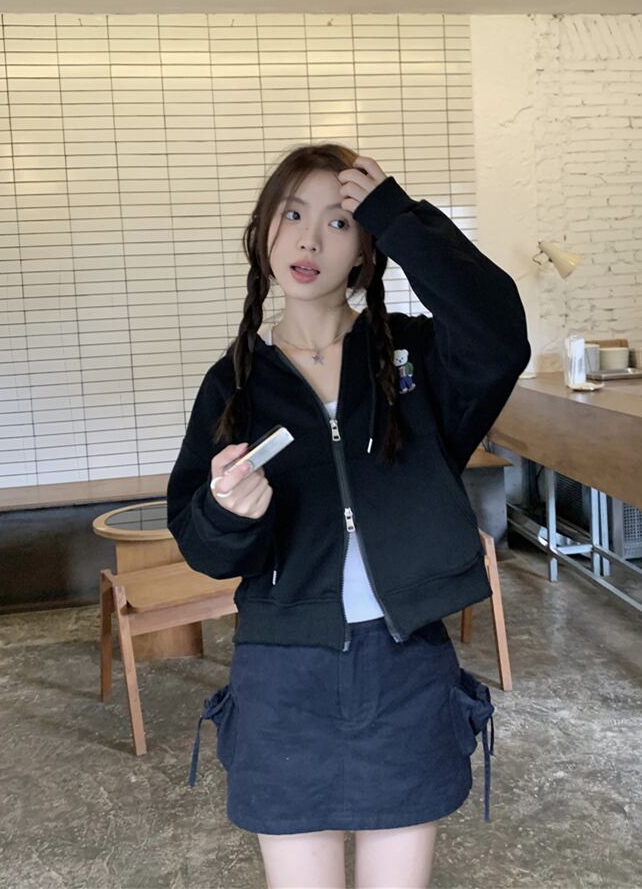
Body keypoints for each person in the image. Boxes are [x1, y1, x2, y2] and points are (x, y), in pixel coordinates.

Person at [167, 143, 530, 889]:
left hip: (406, 669)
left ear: (367, 247)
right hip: (283, 678)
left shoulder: (415, 361)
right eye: (292, 215)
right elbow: (202, 544)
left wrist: (399, 215)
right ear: (263, 230)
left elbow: (499, 333)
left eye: (339, 222)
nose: (309, 240)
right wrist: (228, 513)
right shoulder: (234, 384)